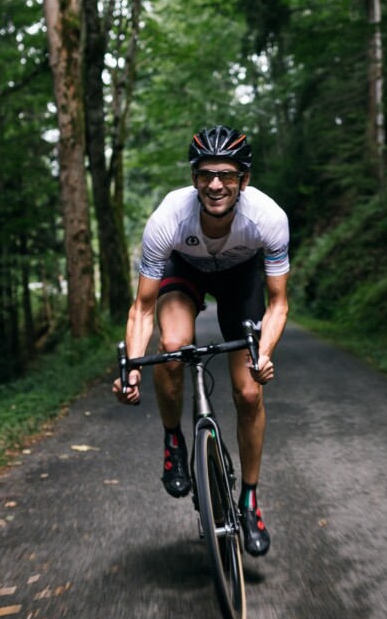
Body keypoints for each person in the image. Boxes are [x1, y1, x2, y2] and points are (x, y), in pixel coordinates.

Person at [112, 125, 290, 557]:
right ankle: (174, 439)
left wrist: (263, 355)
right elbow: (143, 308)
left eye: (227, 175)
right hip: (183, 270)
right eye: (206, 174)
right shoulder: (169, 218)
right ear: (194, 178)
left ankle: (248, 500)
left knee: (249, 392)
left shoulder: (267, 217)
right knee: (172, 348)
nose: (216, 184)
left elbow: (279, 303)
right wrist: (133, 366)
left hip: (240, 279)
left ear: (243, 180)